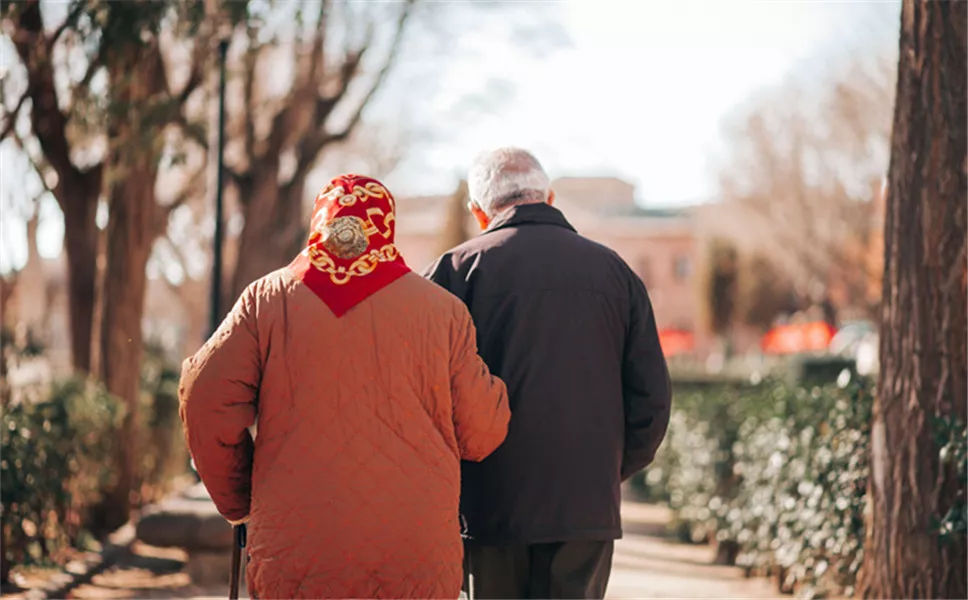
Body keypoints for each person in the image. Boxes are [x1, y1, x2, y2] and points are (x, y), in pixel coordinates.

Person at [179, 174, 510, 599]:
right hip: (415, 551)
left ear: (320, 221)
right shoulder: (443, 312)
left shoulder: (266, 300)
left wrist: (239, 497)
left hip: (294, 548)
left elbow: (203, 399)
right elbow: (482, 434)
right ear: (384, 226)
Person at [425, 148, 672, 599]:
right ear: (549, 197)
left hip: (488, 506)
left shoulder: (453, 273)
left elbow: (425, 395)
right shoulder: (615, 272)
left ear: (479, 212)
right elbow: (651, 401)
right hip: (585, 505)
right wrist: (604, 471)